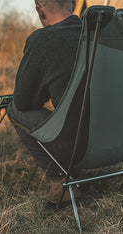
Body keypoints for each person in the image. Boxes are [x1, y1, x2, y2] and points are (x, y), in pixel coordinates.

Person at [7, 0, 82, 204]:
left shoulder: (42, 39)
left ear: (40, 10)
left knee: (15, 109)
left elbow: (22, 101)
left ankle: (61, 181)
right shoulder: (103, 33)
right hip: (120, 139)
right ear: (74, 3)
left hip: (79, 146)